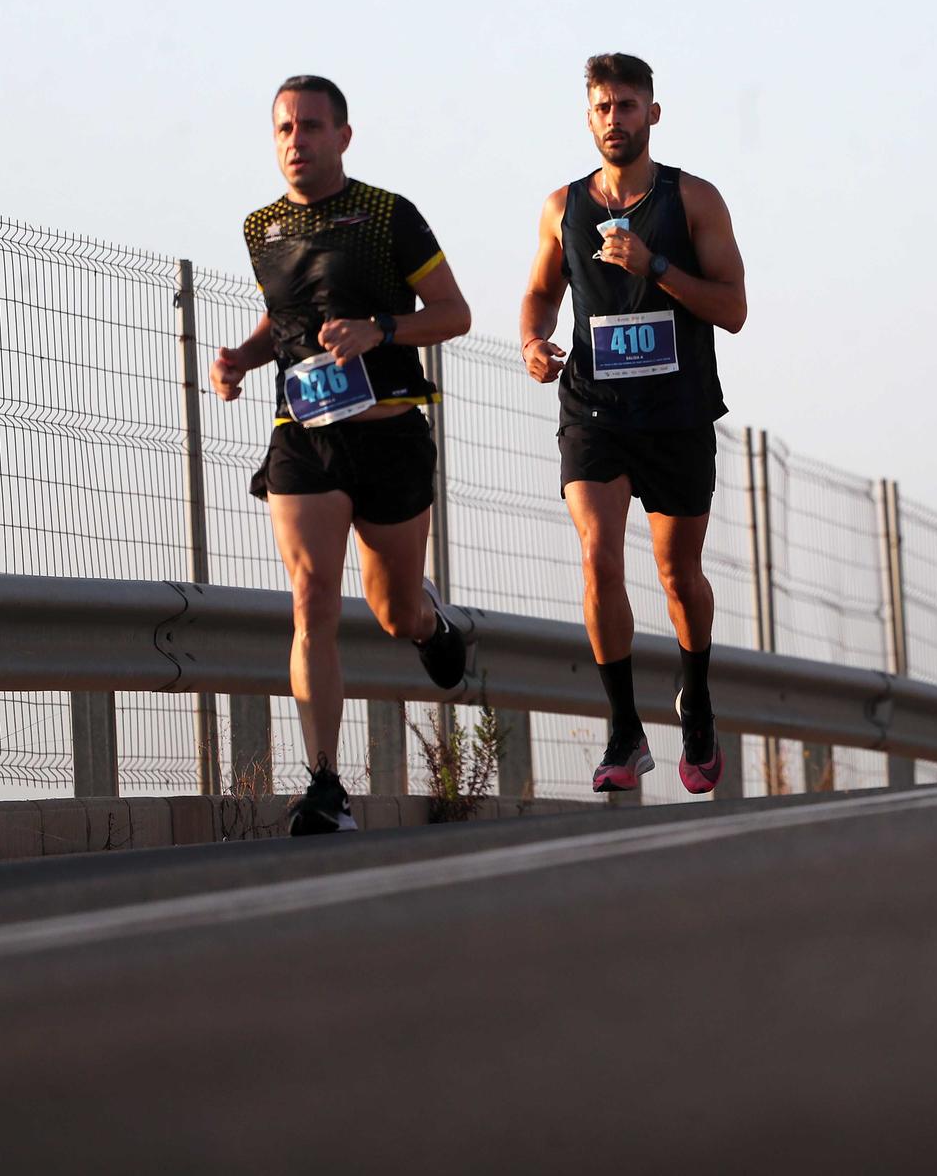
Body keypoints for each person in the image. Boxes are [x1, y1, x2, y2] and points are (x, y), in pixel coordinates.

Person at [210, 75, 474, 835]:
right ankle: (325, 784)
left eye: (313, 127)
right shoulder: (260, 228)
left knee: (392, 611)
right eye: (285, 129)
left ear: (343, 137)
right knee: (311, 597)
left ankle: (431, 626)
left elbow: (453, 314)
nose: (298, 141)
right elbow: (283, 319)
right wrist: (241, 359)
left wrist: (379, 331)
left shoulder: (389, 216)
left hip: (388, 435)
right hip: (304, 435)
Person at [519, 53, 747, 795]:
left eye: (626, 105)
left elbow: (733, 311)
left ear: (652, 113)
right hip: (595, 409)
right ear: (587, 118)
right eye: (601, 107)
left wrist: (655, 267)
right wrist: (533, 340)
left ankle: (698, 698)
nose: (613, 119)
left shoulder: (694, 202)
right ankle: (623, 728)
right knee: (598, 558)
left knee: (679, 576)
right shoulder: (563, 207)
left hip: (677, 413)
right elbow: (539, 293)